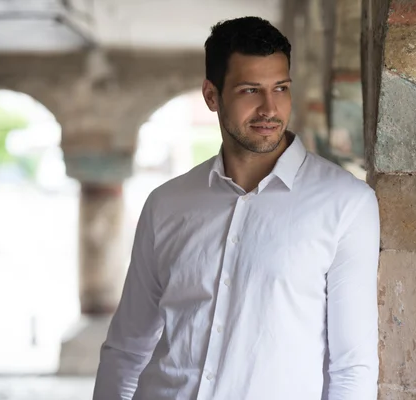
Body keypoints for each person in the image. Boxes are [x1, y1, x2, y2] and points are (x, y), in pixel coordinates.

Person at [93, 16, 380, 400]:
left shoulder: (345, 203)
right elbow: (127, 349)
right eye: (250, 90)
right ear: (212, 96)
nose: (269, 108)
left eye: (281, 88)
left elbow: (352, 368)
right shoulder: (166, 204)